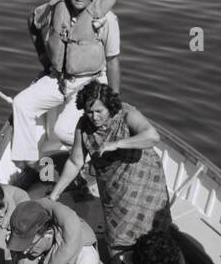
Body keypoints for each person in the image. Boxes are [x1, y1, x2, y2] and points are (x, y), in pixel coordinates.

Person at [10, 0, 121, 166]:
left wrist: (113, 102)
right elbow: (33, 22)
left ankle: (98, 155)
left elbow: (113, 61)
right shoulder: (56, 10)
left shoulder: (107, 20)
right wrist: (45, 62)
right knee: (21, 104)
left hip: (91, 82)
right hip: (60, 79)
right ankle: (28, 165)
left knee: (62, 131)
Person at [48, 82, 172, 254]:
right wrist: (55, 194)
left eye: (99, 111)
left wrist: (117, 144)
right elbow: (75, 162)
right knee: (117, 237)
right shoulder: (83, 126)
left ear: (110, 106)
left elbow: (152, 136)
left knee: (157, 233)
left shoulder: (128, 114)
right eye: (89, 111)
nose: (94, 116)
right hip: (115, 190)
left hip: (145, 184)